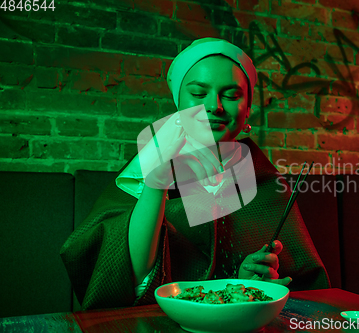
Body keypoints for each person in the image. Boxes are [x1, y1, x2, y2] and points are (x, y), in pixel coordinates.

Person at [60, 38, 330, 310]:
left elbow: (301, 287)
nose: (214, 106)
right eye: (199, 94)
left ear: (247, 109)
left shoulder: (266, 182)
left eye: (232, 95)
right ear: (179, 104)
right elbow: (127, 277)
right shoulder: (146, 169)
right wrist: (156, 183)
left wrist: (248, 283)